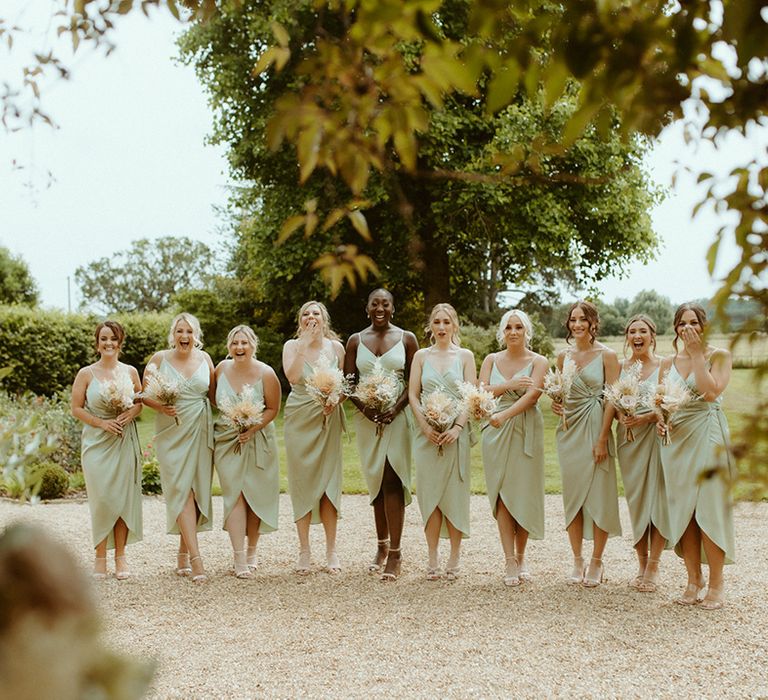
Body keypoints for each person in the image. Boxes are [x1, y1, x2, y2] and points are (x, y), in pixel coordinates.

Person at [658, 303, 735, 609]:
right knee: (685, 512)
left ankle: (716, 584)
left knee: (708, 508)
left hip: (708, 433)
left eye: (694, 323)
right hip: (676, 440)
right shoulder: (667, 363)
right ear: (675, 328)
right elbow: (662, 401)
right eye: (682, 323)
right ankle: (693, 580)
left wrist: (696, 354)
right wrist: (660, 417)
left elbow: (710, 393)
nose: (687, 329)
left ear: (704, 327)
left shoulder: (719, 356)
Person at [344, 289, 418, 581]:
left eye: (385, 303)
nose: (380, 308)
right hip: (367, 420)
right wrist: (365, 409)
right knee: (376, 478)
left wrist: (395, 409)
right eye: (374, 303)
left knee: (392, 478)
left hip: (397, 418)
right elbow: (349, 384)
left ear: (392, 308)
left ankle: (397, 553)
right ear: (367, 307)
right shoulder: (355, 340)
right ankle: (381, 546)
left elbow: (415, 381)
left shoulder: (407, 338)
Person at [552, 301, 621, 587]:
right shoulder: (562, 357)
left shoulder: (608, 356)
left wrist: (603, 438)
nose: (577, 324)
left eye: (583, 319)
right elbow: (560, 394)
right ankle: (577, 559)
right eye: (573, 320)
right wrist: (557, 403)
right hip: (569, 433)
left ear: (593, 322)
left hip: (596, 428)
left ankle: (597, 560)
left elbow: (612, 400)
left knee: (600, 495)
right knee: (573, 497)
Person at [142, 313, 215, 583]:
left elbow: (216, 395)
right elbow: (143, 393)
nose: (184, 336)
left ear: (196, 335)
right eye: (179, 331)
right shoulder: (159, 359)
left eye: (189, 331)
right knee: (181, 489)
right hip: (171, 431)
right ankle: (197, 560)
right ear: (173, 334)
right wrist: (161, 406)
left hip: (200, 427)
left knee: (196, 492)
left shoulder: (206, 360)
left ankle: (183, 553)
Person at [480, 309, 548, 586]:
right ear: (502, 332)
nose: (513, 332)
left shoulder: (538, 361)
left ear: (526, 331)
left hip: (525, 430)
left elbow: (533, 395)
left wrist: (504, 415)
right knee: (502, 494)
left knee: (523, 493)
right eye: (508, 327)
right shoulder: (491, 359)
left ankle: (521, 555)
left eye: (518, 327)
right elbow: (480, 390)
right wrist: (508, 384)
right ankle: (509, 559)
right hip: (494, 434)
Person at [71, 320, 143, 580]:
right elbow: (76, 408)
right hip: (97, 443)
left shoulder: (131, 372)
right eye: (104, 338)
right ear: (97, 343)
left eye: (113, 338)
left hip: (123, 440)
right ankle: (100, 556)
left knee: (123, 498)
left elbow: (140, 402)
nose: (109, 343)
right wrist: (102, 422)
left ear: (120, 342)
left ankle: (120, 557)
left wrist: (130, 413)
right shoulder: (86, 374)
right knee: (102, 499)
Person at [408, 303, 476, 580]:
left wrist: (458, 427)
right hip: (427, 435)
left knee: (455, 495)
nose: (441, 327)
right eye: (437, 322)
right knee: (429, 495)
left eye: (446, 322)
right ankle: (433, 555)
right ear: (430, 326)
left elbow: (471, 395)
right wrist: (424, 425)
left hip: (454, 434)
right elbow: (413, 394)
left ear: (454, 325)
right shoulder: (421, 356)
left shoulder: (465, 356)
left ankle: (455, 556)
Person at [282, 300, 346, 574]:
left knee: (329, 482)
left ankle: (331, 550)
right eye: (306, 314)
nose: (311, 317)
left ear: (324, 319)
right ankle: (304, 550)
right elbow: (293, 377)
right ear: (300, 321)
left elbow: (344, 384)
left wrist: (335, 399)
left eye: (315, 313)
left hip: (327, 418)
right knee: (302, 481)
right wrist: (305, 343)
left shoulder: (337, 348)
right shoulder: (291, 346)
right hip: (299, 418)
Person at [214, 325, 281, 579]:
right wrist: (234, 421)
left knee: (254, 496)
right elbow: (214, 399)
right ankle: (238, 556)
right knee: (234, 495)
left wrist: (252, 427)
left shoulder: (267, 373)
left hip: (258, 439)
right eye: (234, 343)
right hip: (226, 440)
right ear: (229, 346)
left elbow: (273, 408)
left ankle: (252, 550)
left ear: (253, 344)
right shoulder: (220, 369)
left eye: (244, 343)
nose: (239, 348)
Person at [615, 315, 670, 592]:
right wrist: (622, 415)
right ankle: (641, 559)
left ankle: (654, 564)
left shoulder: (663, 365)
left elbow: (668, 404)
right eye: (632, 331)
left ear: (652, 335)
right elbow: (611, 403)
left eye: (643, 331)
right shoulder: (620, 367)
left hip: (655, 439)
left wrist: (645, 418)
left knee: (657, 499)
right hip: (628, 441)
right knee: (636, 501)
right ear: (627, 337)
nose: (637, 336)